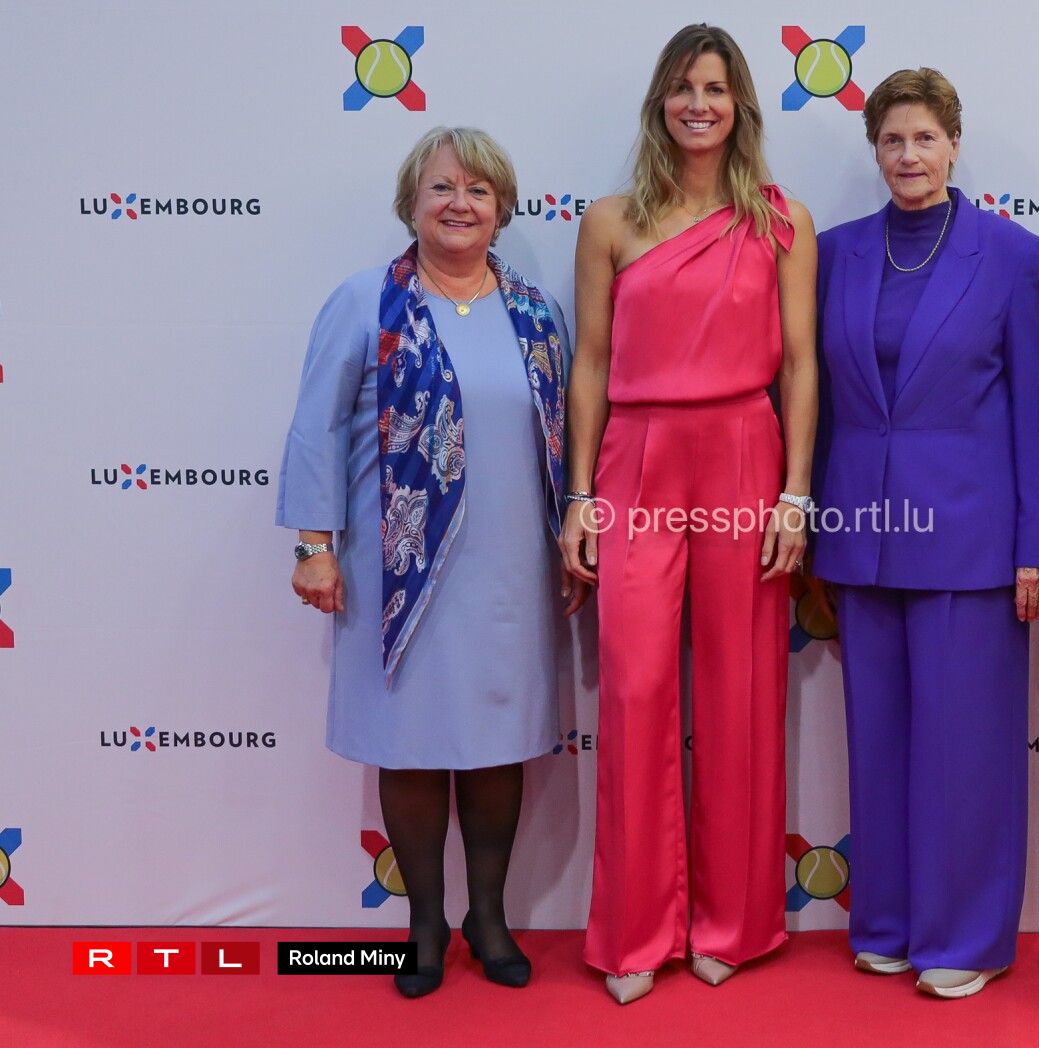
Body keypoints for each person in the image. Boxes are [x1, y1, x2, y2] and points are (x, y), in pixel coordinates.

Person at [277, 126, 586, 998]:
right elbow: (316, 428)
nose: (460, 204)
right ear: (411, 203)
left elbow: (565, 436)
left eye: (479, 190)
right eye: (442, 187)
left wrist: (571, 533)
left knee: (496, 745)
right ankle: (422, 925)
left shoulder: (535, 312)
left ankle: (488, 918)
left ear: (503, 208)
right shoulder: (364, 302)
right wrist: (313, 547)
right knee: (410, 746)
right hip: (397, 573)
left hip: (511, 570)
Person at [559, 23, 817, 1005]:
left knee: (742, 689)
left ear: (739, 102)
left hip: (745, 453)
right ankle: (635, 929)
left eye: (714, 87)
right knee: (632, 687)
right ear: (659, 103)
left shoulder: (782, 220)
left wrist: (795, 493)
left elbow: (801, 364)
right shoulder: (610, 221)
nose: (698, 104)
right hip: (635, 459)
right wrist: (579, 497)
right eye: (682, 87)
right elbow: (589, 364)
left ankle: (734, 924)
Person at [812, 67, 1039, 999]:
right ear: (873, 150)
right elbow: (820, 405)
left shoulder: (1011, 255)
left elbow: (1037, 413)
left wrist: (1037, 547)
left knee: (965, 751)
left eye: (924, 138)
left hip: (971, 541)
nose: (908, 155)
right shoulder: (832, 253)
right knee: (877, 745)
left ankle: (964, 936)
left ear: (955, 145)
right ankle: (886, 920)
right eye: (892, 140)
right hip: (863, 536)